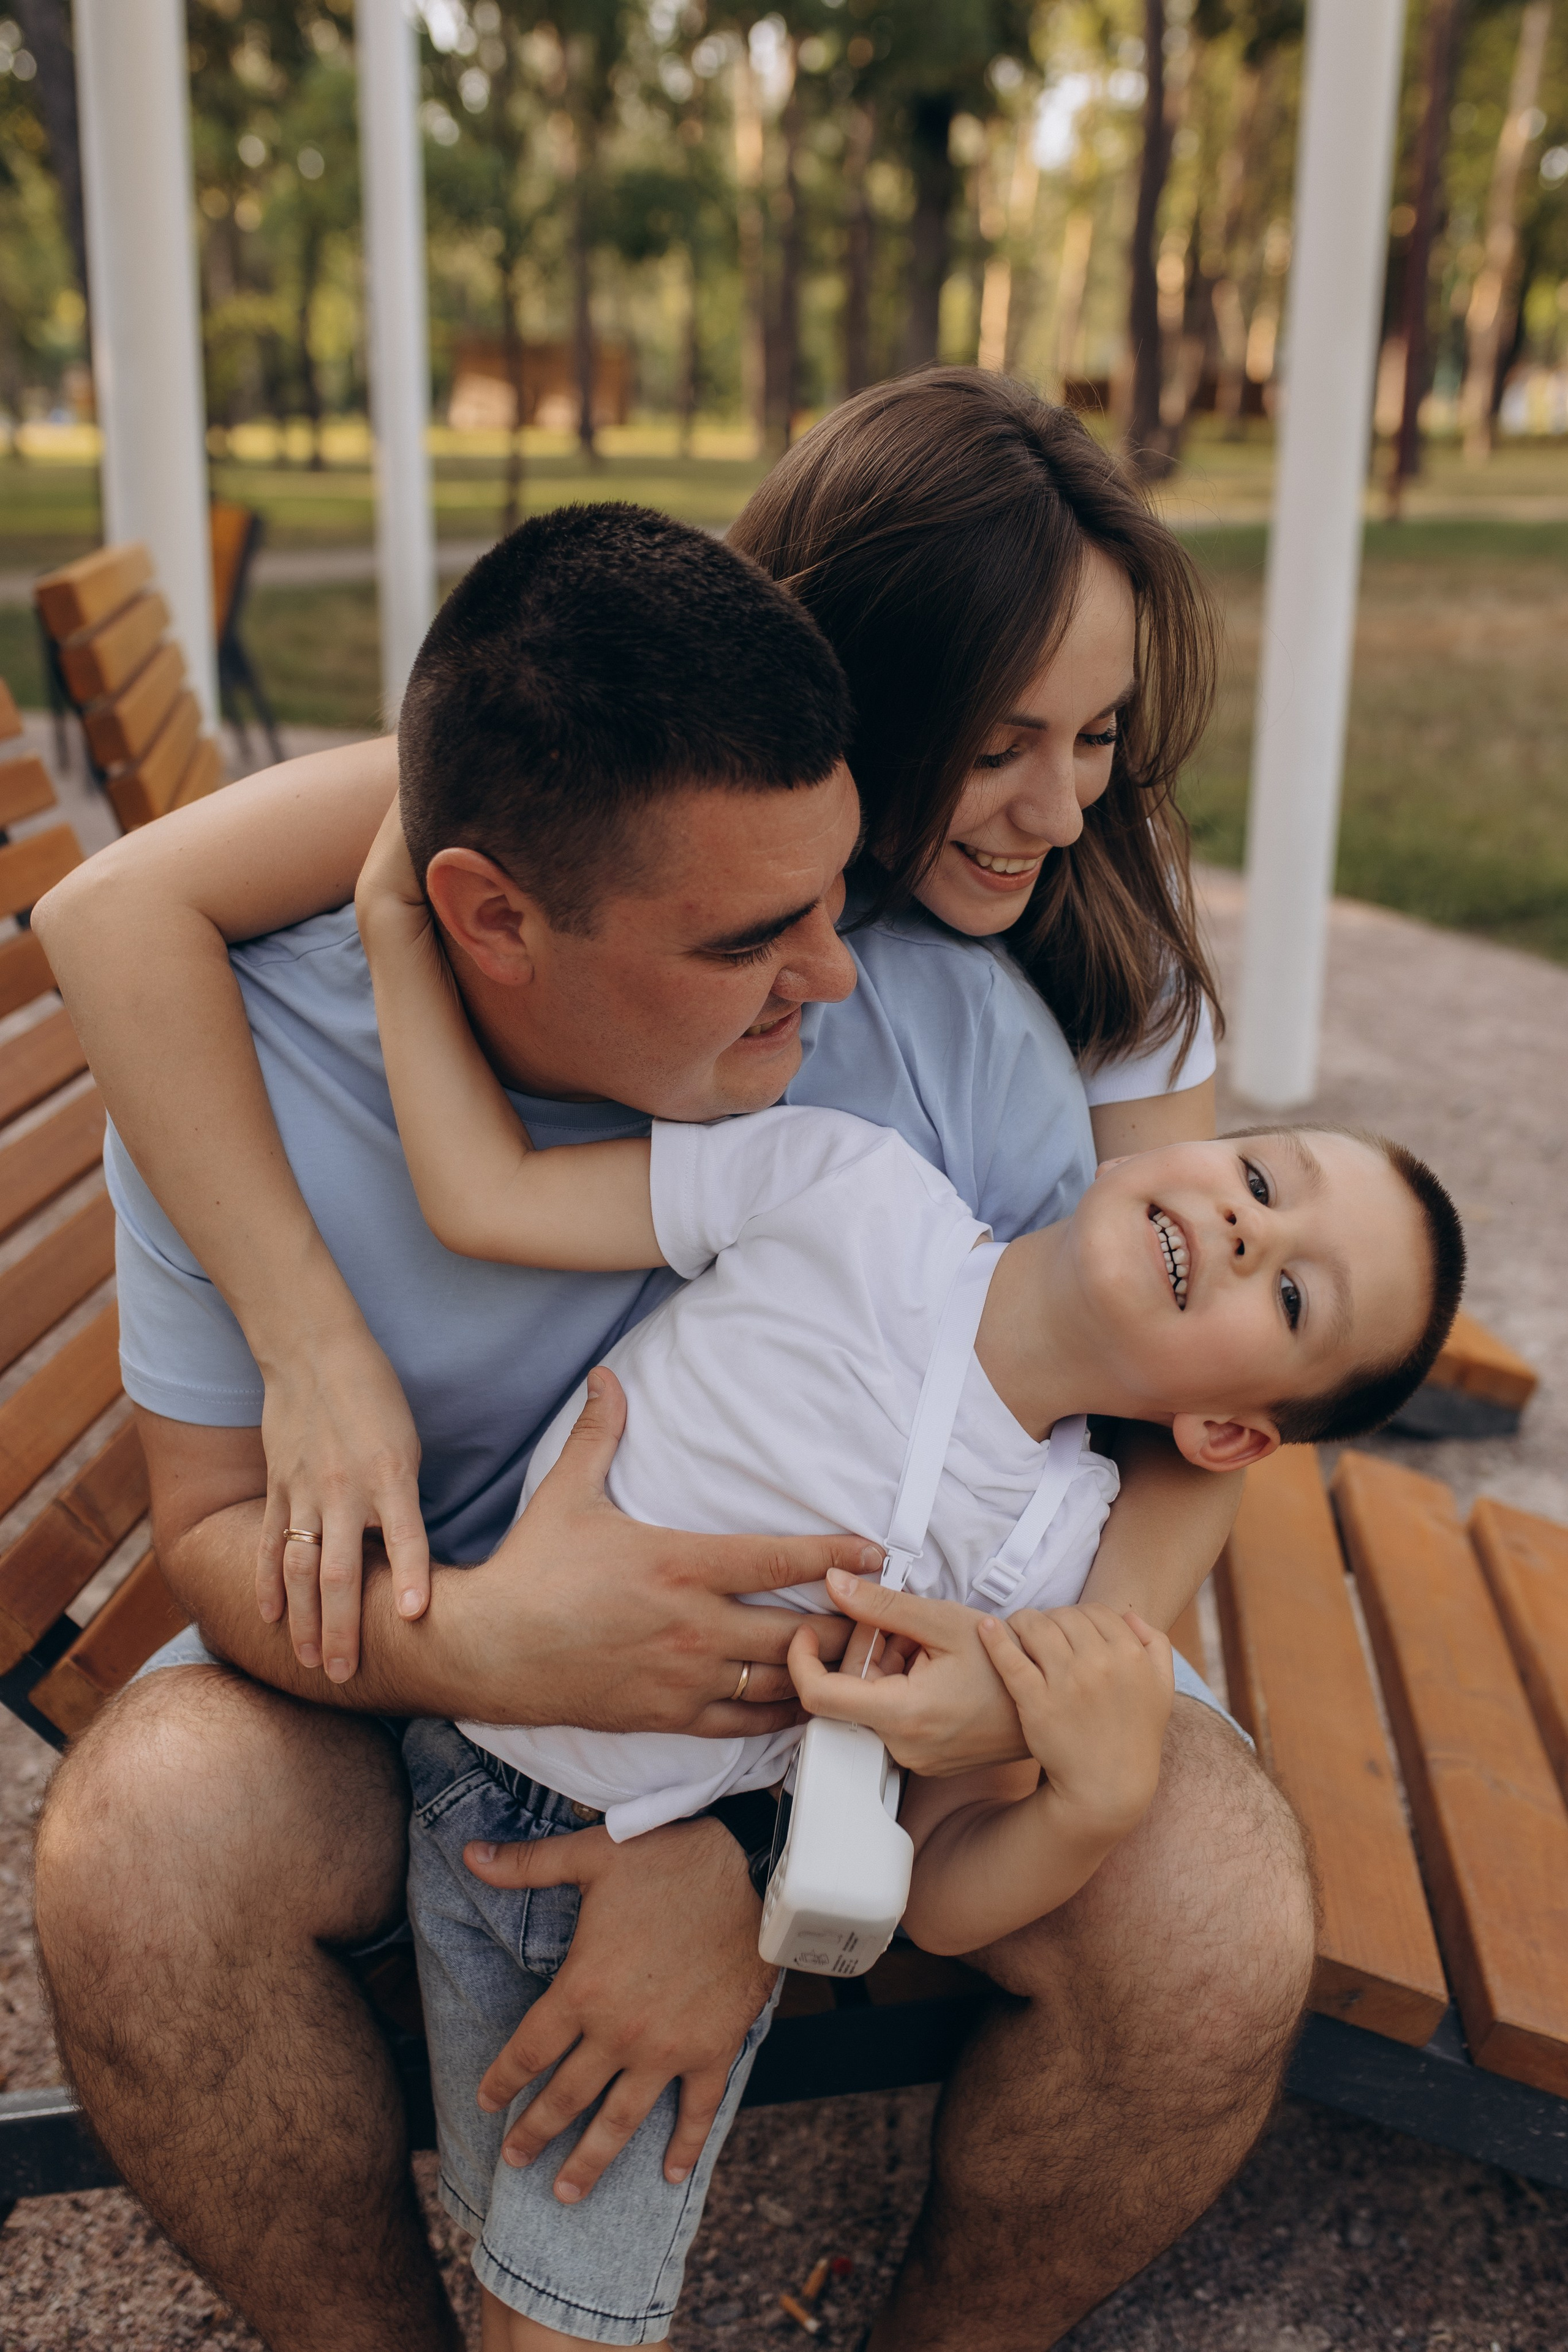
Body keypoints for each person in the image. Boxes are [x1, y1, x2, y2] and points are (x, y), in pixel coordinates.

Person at [28, 390, 1315, 2352]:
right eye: (995, 746)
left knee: (1217, 1904)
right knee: (139, 1850)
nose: (836, 965)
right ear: (487, 910)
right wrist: (486, 1647)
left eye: (1094, 742)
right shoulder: (265, 1051)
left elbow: (1085, 1467)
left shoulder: (957, 1028)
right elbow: (213, 1518)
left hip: (856, 1696)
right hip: (416, 1672)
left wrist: (737, 1837)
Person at [354, 782, 1463, 2349]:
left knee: (557, 2314)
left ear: (1224, 1432)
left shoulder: (1053, 1555)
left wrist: (1083, 1807)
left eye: (1291, 1300)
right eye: (1266, 1181)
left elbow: (932, 1893)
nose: (1243, 1231)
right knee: (541, 2271)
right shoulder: (844, 1182)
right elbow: (487, 1196)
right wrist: (392, 928)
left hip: (654, 1868)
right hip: (449, 1713)